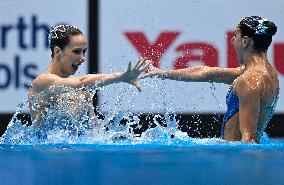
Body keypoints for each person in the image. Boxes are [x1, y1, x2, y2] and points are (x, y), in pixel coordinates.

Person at [143, 16, 279, 143]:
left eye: (235, 35)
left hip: (235, 157)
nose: (232, 40)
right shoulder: (269, 74)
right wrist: (162, 73)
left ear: (245, 41)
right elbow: (207, 73)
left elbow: (249, 140)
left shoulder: (248, 81)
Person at [28, 24, 150, 129]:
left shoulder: (82, 93)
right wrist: (120, 77)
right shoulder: (42, 82)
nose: (82, 58)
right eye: (76, 51)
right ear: (58, 52)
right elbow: (81, 82)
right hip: (45, 155)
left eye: (84, 51)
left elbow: (94, 132)